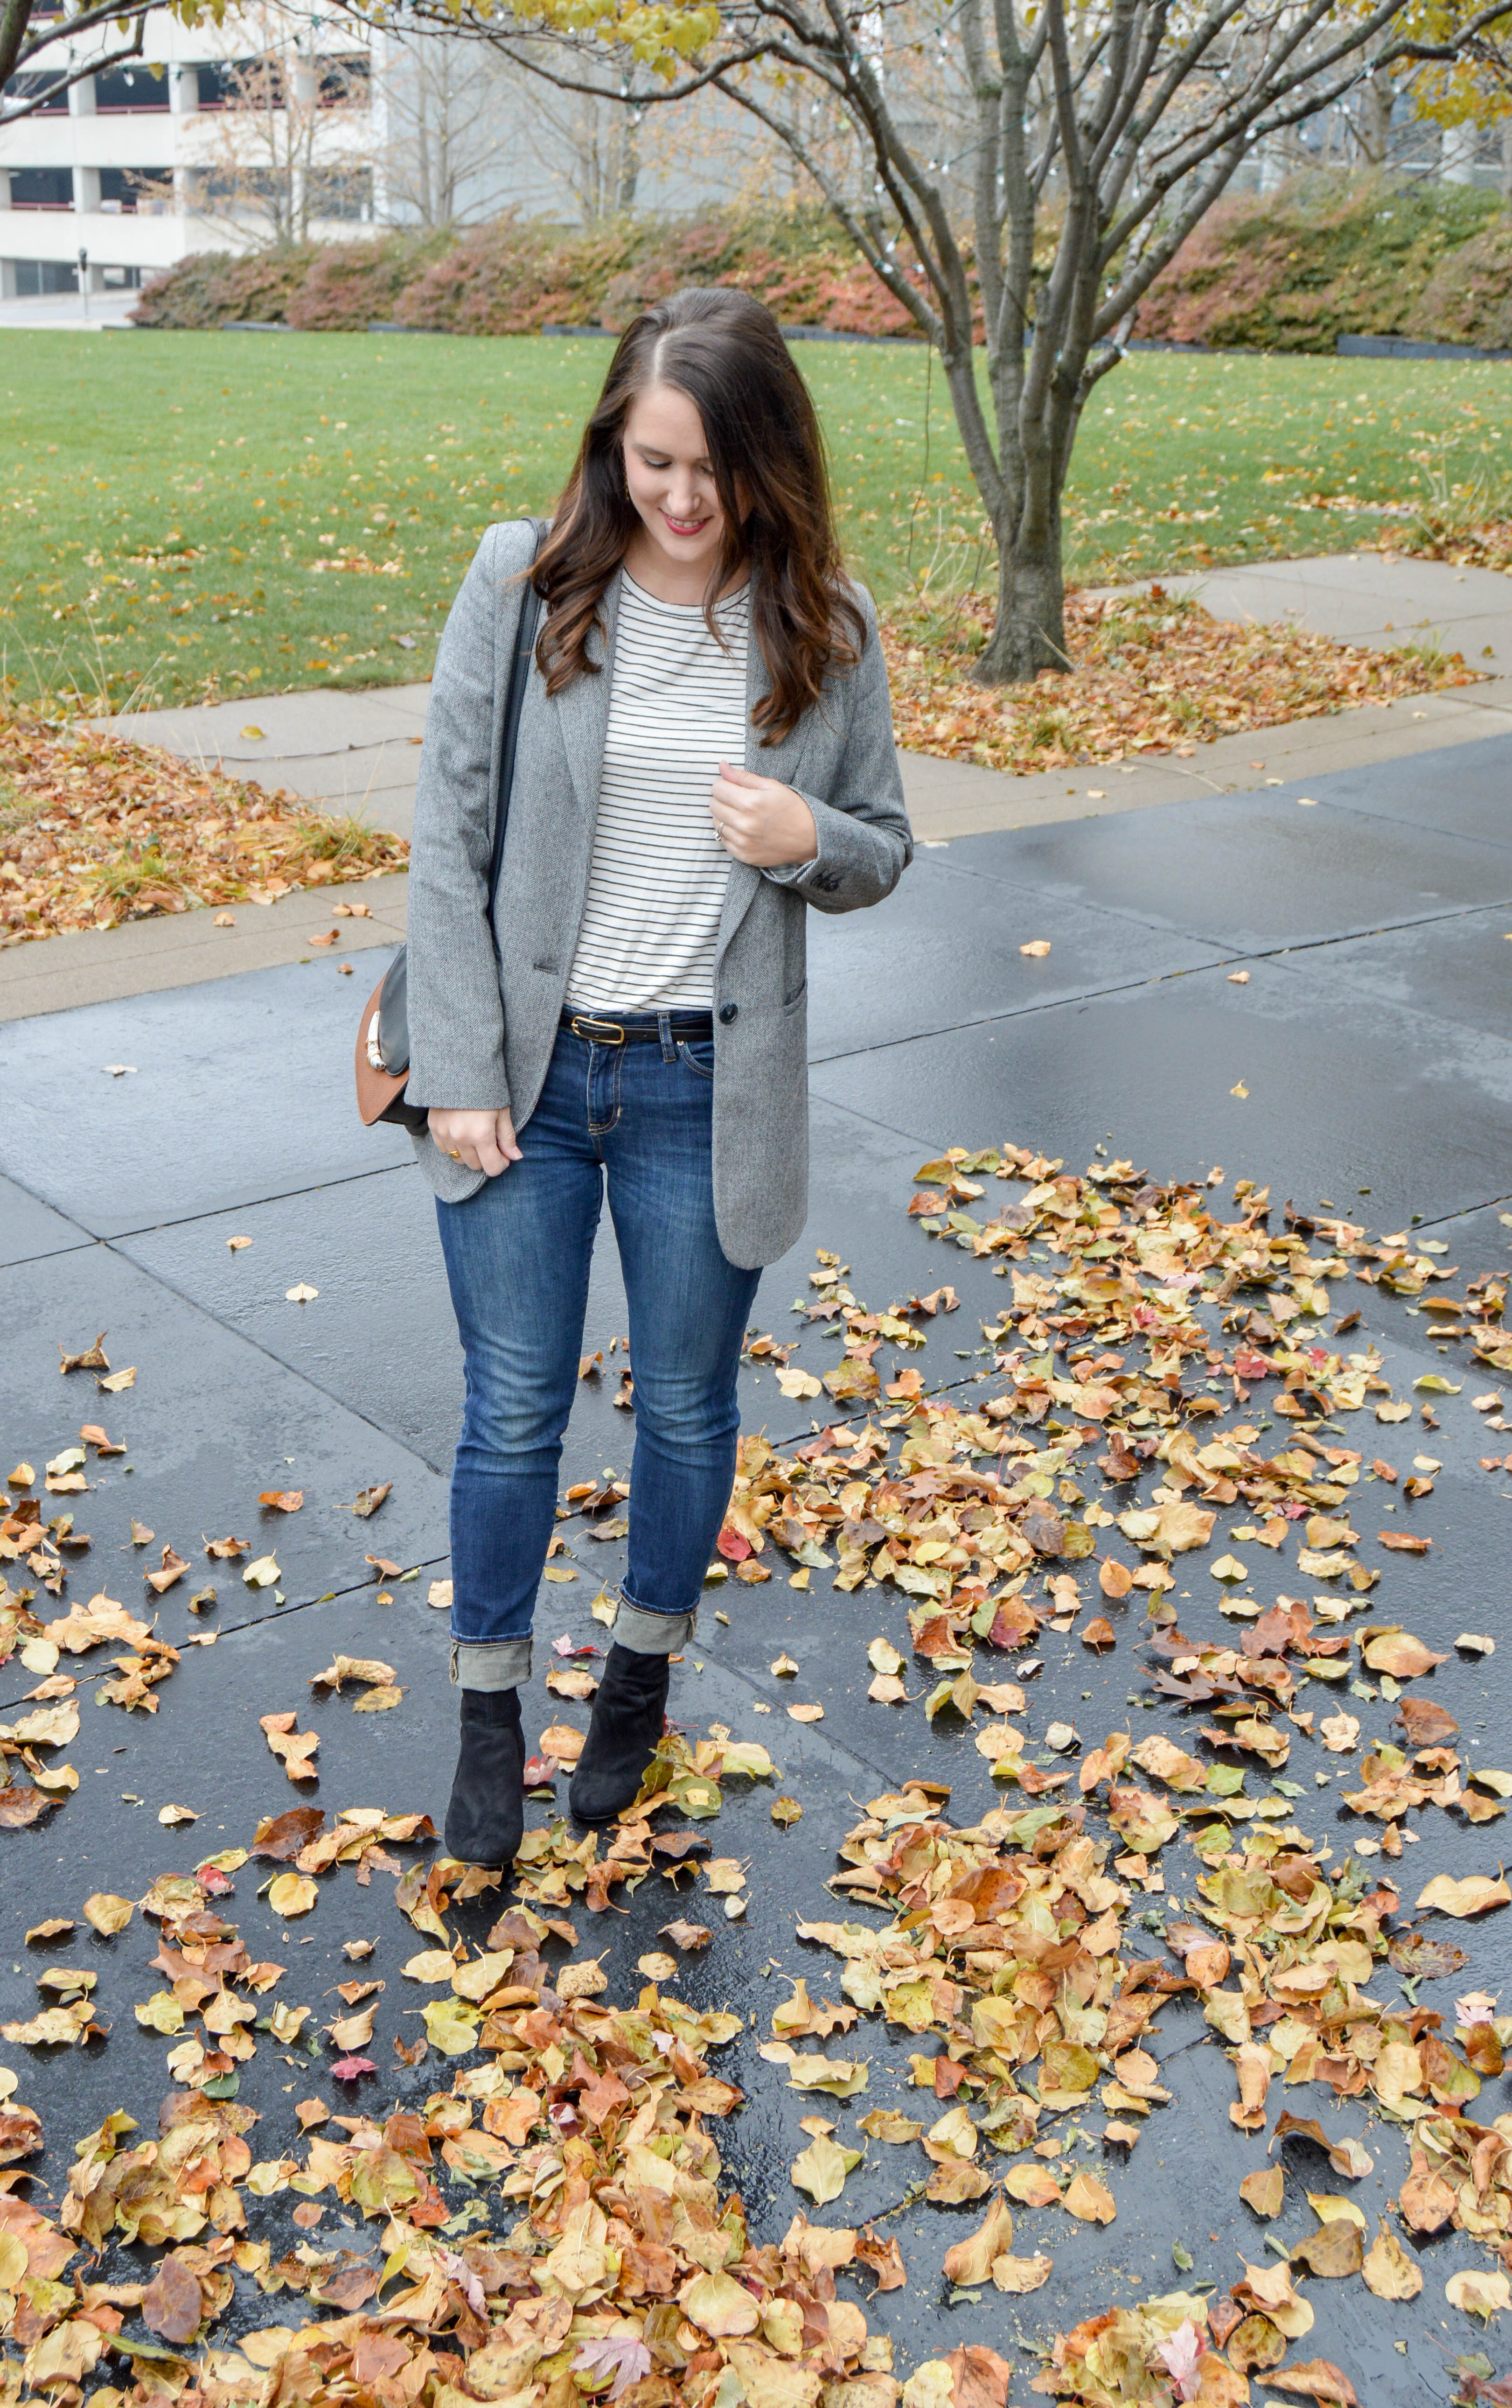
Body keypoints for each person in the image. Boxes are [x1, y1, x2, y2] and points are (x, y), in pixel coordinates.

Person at [404, 285, 913, 1864]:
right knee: (512, 1412)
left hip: (708, 1082)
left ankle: (637, 1678)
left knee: (687, 1412)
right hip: (532, 1085)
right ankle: (490, 1712)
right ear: (612, 447)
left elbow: (886, 847)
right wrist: (462, 1069)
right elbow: (448, 841)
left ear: (770, 462)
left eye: (711, 472)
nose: (681, 502)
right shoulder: (525, 579)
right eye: (652, 464)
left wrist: (805, 837)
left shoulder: (825, 625)